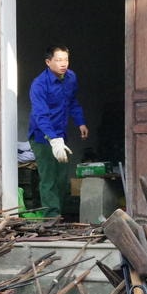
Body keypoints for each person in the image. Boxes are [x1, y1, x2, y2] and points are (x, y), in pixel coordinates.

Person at [27, 45, 88, 217]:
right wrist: (53, 139)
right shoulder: (39, 84)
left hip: (61, 133)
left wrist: (80, 122)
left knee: (62, 178)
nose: (63, 64)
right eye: (58, 60)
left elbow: (73, 101)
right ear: (48, 62)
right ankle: (51, 218)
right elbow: (41, 115)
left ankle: (60, 214)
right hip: (41, 136)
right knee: (48, 178)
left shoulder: (71, 77)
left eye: (66, 59)